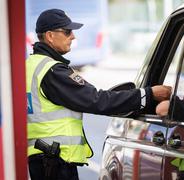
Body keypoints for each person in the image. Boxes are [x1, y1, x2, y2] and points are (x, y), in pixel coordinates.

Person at [26, 9, 171, 180]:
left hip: (41, 157)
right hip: (55, 160)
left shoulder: (30, 65)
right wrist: (147, 94)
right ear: (50, 36)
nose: (73, 36)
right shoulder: (52, 71)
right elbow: (96, 100)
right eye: (67, 32)